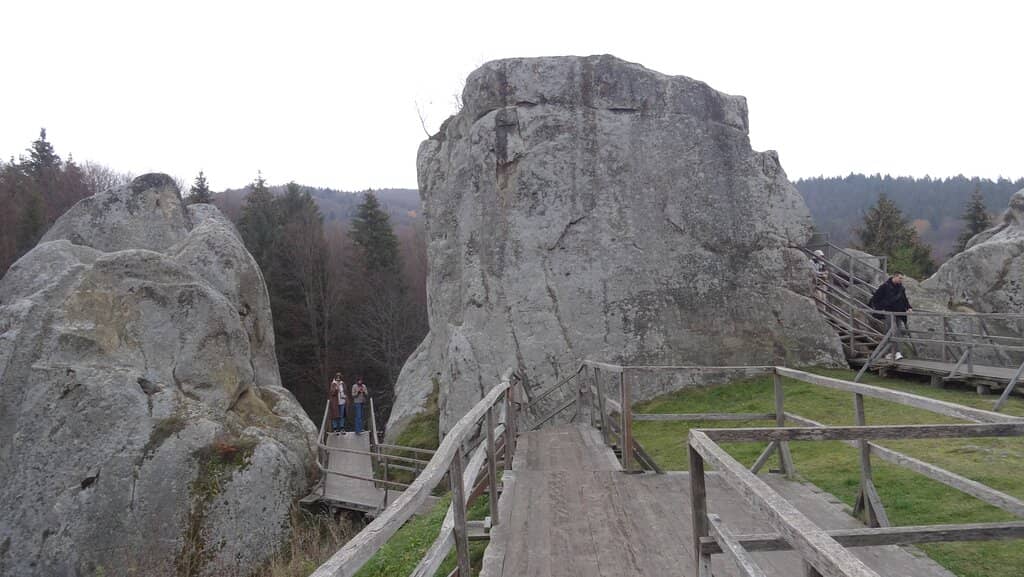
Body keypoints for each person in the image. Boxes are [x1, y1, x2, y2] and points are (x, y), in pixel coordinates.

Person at [869, 272, 912, 359]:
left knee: (898, 332)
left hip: (899, 313)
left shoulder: (901, 288)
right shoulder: (885, 286)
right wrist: (882, 307)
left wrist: (909, 307)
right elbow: (875, 298)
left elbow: (904, 299)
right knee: (890, 332)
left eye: (902, 278)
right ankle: (889, 352)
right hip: (889, 312)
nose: (901, 280)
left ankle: (897, 352)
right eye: (900, 278)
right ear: (895, 277)